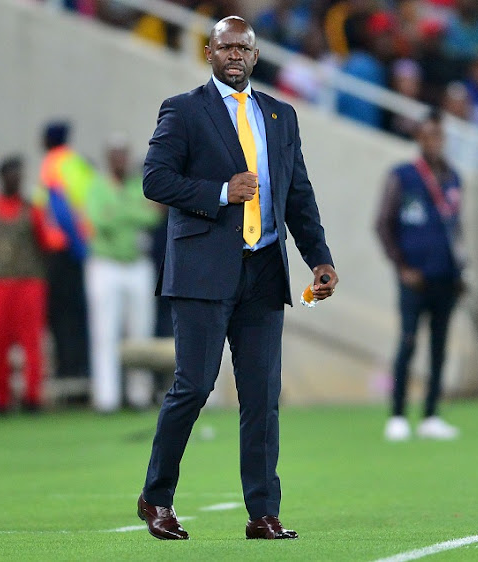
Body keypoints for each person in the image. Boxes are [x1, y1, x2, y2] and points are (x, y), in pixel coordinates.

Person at [137, 16, 337, 541]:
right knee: (194, 386)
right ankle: (156, 498)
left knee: (262, 397)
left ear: (255, 54)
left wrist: (319, 257)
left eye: (243, 48)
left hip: (265, 269)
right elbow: (155, 179)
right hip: (204, 271)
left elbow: (298, 194)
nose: (234, 55)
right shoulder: (184, 110)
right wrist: (222, 192)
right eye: (225, 46)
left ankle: (262, 513)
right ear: (208, 52)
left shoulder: (280, 114)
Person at [375, 112, 463, 442]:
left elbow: (456, 228)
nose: (434, 143)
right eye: (428, 136)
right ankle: (397, 414)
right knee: (408, 342)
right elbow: (383, 224)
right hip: (414, 277)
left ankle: (430, 415)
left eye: (439, 136)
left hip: (446, 276)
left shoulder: (453, 177)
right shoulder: (402, 176)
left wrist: (461, 268)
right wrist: (402, 267)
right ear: (419, 139)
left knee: (440, 347)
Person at [86, 135, 160, 412]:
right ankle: (107, 397)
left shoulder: (137, 184)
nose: (120, 159)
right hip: (106, 265)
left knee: (140, 332)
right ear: (108, 157)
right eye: (115, 154)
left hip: (137, 264)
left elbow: (153, 215)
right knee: (105, 332)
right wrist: (131, 212)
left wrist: (118, 212)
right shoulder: (97, 186)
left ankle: (138, 395)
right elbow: (98, 219)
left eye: (123, 154)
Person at [0, 156, 52, 413]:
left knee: (31, 342)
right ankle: (1, 397)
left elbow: (46, 241)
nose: (15, 180)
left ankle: (32, 396)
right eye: (11, 175)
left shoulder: (32, 210)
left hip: (28, 284)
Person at [34, 121, 93, 382]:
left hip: (64, 248)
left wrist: (76, 247)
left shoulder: (52, 164)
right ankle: (81, 367)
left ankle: (67, 369)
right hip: (84, 246)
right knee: (79, 312)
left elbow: (59, 210)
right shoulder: (78, 163)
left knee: (61, 313)